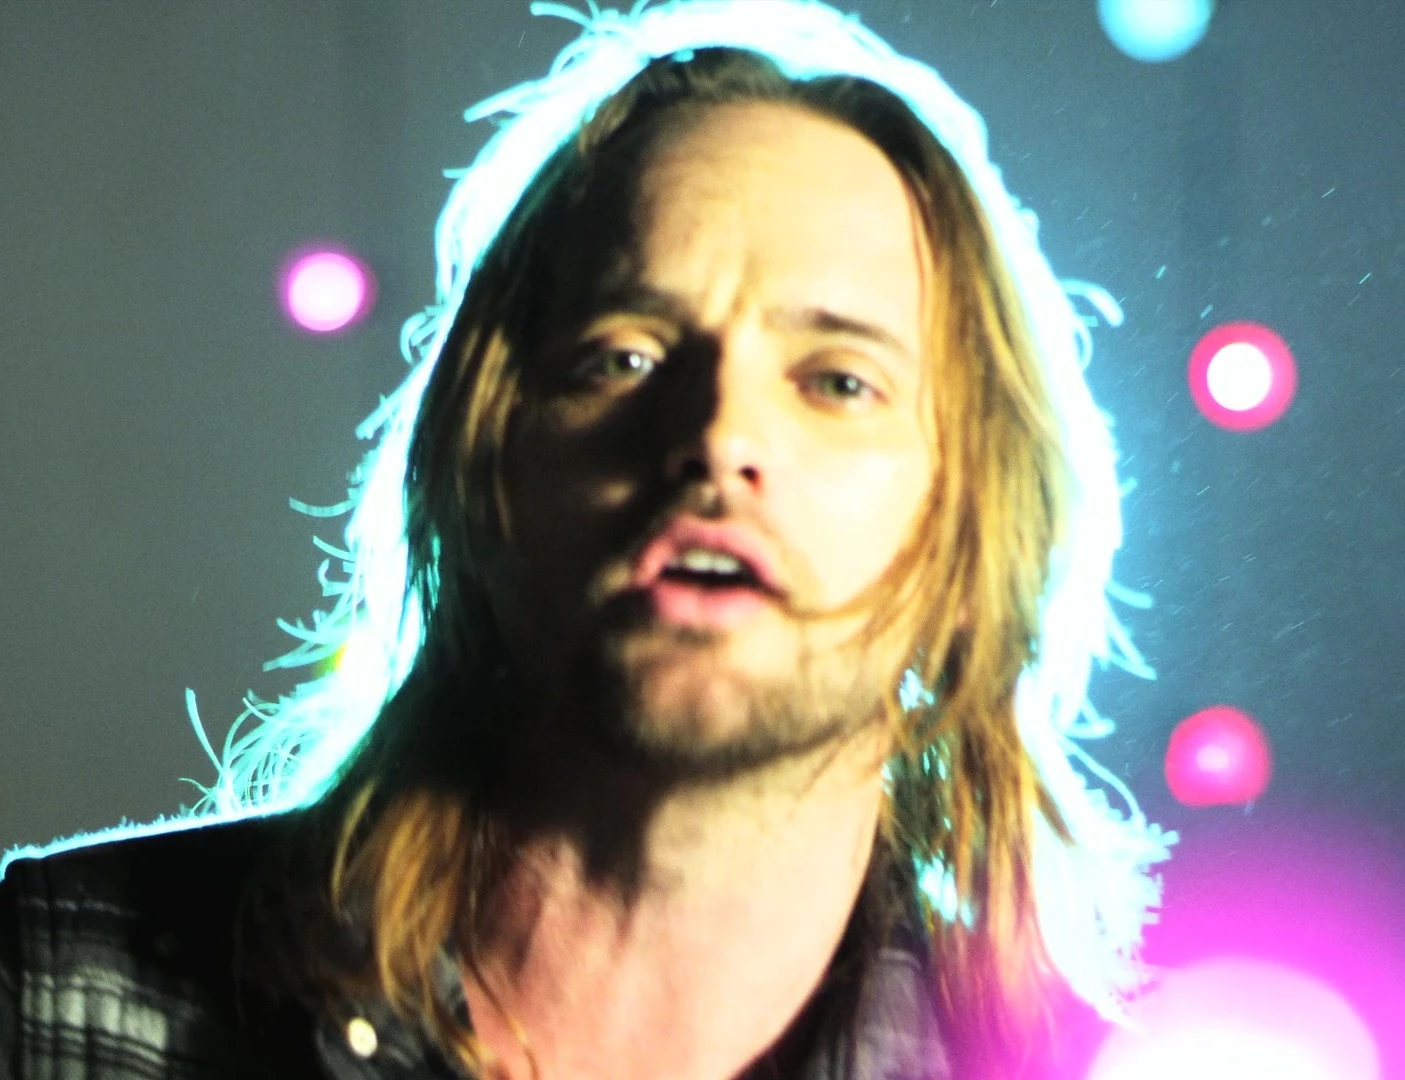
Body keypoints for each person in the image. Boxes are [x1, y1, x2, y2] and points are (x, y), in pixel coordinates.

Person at [0, 2, 1172, 1078]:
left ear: (971, 534)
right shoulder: (67, 997)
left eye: (837, 380)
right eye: (624, 357)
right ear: (484, 465)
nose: (718, 436)